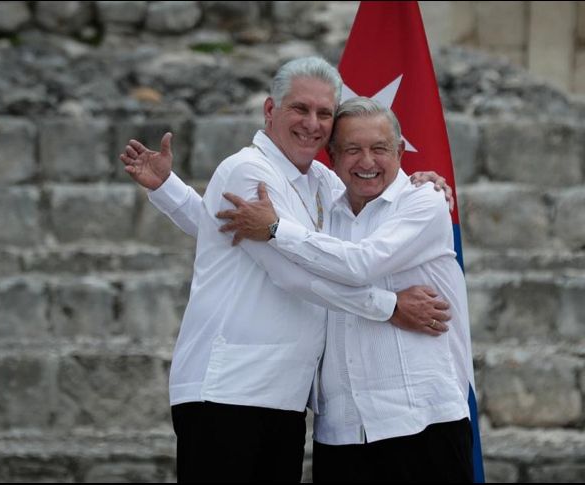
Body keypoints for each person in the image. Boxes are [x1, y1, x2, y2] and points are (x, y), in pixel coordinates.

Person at [118, 57, 452, 483]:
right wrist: (390, 307)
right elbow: (291, 274)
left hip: (286, 398)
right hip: (227, 391)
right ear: (270, 110)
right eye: (300, 108)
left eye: (324, 113)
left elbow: (216, 226)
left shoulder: (321, 182)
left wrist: (417, 183)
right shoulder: (247, 171)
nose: (312, 123)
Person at [218, 97, 475, 482]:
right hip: (341, 432)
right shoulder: (321, 217)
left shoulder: (425, 202)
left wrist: (276, 230)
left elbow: (360, 264)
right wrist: (168, 190)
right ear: (332, 156)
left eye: (379, 149)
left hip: (421, 422)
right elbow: (227, 221)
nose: (367, 162)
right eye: (353, 149)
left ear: (401, 152)